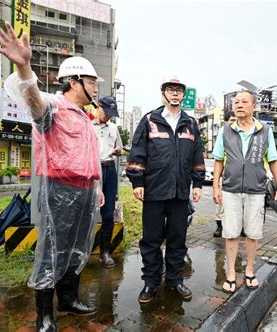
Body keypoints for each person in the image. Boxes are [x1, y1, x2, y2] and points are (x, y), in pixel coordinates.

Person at [0, 22, 104, 331]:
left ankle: (68, 299)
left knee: (78, 246)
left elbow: (90, 157)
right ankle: (44, 316)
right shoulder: (52, 106)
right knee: (52, 250)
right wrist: (24, 65)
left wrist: (98, 188)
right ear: (74, 81)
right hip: (57, 189)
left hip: (84, 190)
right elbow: (32, 98)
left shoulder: (85, 117)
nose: (96, 89)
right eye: (92, 82)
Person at [126, 76, 205, 304]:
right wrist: (137, 182)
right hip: (154, 191)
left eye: (179, 91)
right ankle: (150, 283)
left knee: (177, 239)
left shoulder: (190, 123)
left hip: (180, 193)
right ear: (164, 93)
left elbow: (197, 156)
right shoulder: (150, 120)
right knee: (151, 240)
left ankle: (174, 280)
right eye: (170, 90)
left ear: (183, 95)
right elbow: (138, 152)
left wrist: (197, 184)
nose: (175, 94)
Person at [212, 90, 277, 294]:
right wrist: (216, 186)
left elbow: (272, 160)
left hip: (256, 189)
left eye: (244, 102)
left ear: (253, 106)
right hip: (231, 189)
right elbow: (218, 160)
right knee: (231, 233)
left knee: (253, 234)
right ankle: (231, 273)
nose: (239, 105)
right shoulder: (225, 131)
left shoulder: (265, 131)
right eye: (236, 102)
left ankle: (250, 271)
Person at [93, 96, 123, 267]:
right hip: (92, 169)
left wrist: (118, 151)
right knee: (86, 210)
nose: (108, 117)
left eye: (111, 114)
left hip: (109, 169)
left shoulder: (113, 128)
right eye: (106, 112)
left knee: (108, 212)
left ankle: (105, 252)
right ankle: (82, 249)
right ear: (98, 106)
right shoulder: (88, 126)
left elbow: (119, 147)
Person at [213, 110, 236, 237]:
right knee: (221, 204)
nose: (234, 123)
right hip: (226, 176)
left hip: (240, 177)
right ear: (226, 122)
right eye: (231, 120)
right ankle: (219, 227)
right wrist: (216, 184)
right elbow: (219, 159)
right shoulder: (223, 134)